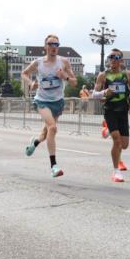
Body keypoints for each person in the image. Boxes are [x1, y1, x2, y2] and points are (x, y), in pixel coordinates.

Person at [21, 34, 77, 178]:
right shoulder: (38, 62)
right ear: (45, 46)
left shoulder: (64, 62)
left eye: (56, 44)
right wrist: (31, 83)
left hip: (57, 102)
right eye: (51, 44)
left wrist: (64, 76)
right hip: (42, 100)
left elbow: (74, 82)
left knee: (46, 134)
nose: (54, 47)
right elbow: (24, 73)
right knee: (53, 128)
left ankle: (34, 143)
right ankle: (54, 166)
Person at [92, 48, 130, 182]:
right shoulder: (103, 75)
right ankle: (116, 172)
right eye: (111, 57)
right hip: (110, 109)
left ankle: (108, 130)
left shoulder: (127, 74)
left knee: (125, 144)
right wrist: (105, 92)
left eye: (116, 57)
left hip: (123, 110)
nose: (113, 60)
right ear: (109, 60)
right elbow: (94, 94)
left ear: (121, 60)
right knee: (117, 140)